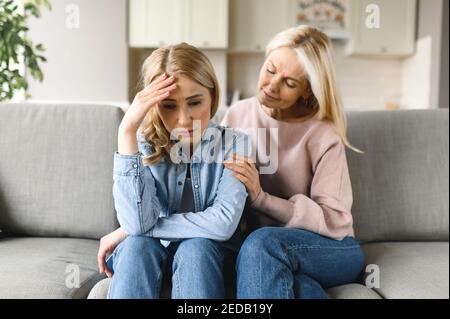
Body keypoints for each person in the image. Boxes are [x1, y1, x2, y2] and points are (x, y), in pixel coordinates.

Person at [221, 25, 365, 299]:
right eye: (271, 70)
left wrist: (262, 199)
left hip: (331, 247)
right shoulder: (238, 114)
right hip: (267, 251)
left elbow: (333, 220)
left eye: (289, 83)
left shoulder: (323, 133)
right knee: (295, 284)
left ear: (308, 92)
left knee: (263, 244)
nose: (272, 86)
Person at [99, 42, 249, 299]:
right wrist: (126, 132)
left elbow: (223, 223)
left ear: (213, 96)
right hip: (149, 252)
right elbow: (136, 225)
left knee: (196, 248)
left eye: (195, 102)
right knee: (136, 245)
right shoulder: (143, 144)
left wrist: (135, 229)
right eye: (168, 105)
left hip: (206, 258)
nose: (183, 119)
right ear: (154, 105)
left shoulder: (237, 143)